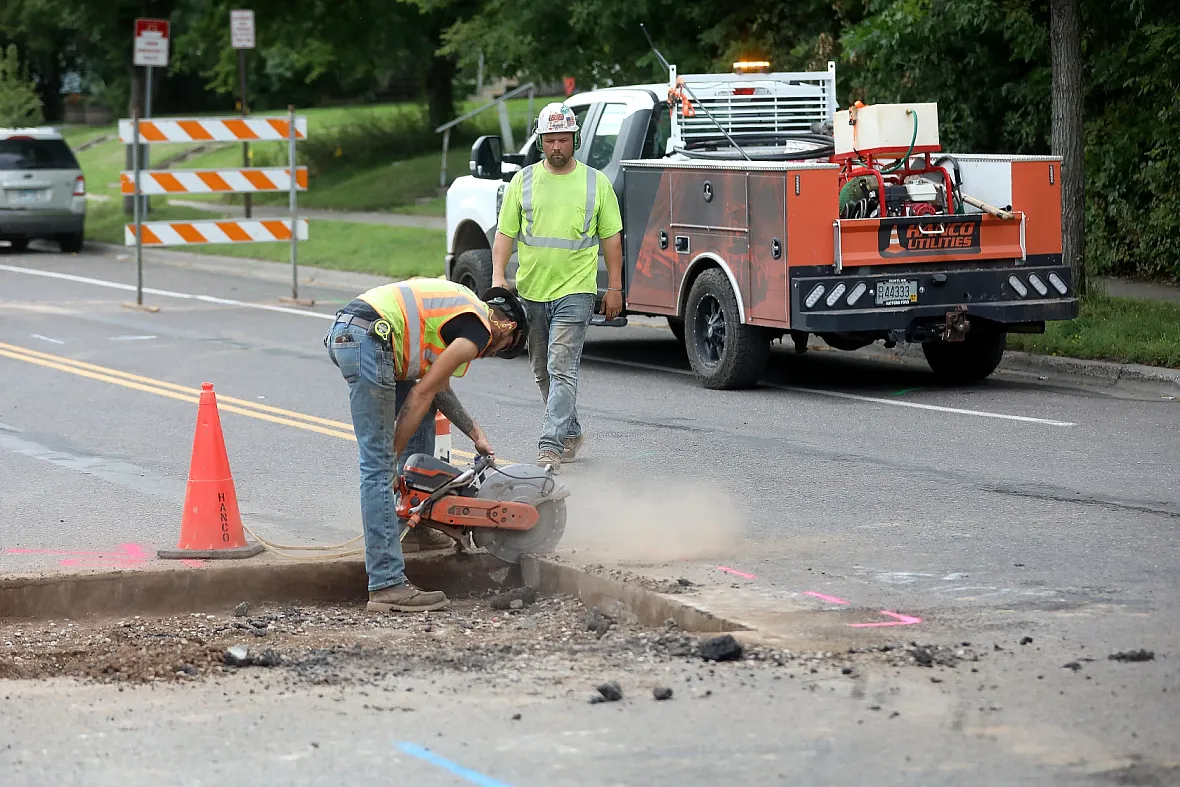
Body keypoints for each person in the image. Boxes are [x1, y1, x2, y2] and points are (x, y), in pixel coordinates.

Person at [324, 278, 529, 613]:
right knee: (378, 466)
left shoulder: (464, 311)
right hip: (369, 339)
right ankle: (387, 584)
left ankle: (413, 528)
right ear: (505, 325)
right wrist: (391, 457)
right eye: (505, 346)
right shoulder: (478, 331)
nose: (493, 352)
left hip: (357, 331)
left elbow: (434, 386)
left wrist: (474, 431)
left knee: (417, 419)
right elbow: (422, 393)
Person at [491, 102, 624, 473]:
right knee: (541, 371)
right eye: (550, 140)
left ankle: (549, 446)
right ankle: (571, 430)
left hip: (576, 290)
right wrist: (498, 277)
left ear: (575, 140)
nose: (557, 147)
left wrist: (614, 288)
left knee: (562, 367)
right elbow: (506, 232)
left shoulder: (596, 183)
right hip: (531, 291)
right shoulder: (524, 181)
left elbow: (612, 239)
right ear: (541, 141)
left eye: (563, 140)